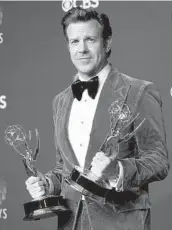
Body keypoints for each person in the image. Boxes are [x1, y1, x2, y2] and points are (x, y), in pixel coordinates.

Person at [25, 7, 169, 230]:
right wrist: (47, 184)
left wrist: (117, 170)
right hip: (71, 221)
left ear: (107, 43)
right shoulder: (60, 101)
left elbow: (158, 161)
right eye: (74, 41)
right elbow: (65, 168)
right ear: (68, 47)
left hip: (121, 221)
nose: (82, 49)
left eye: (90, 39)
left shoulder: (139, 91)